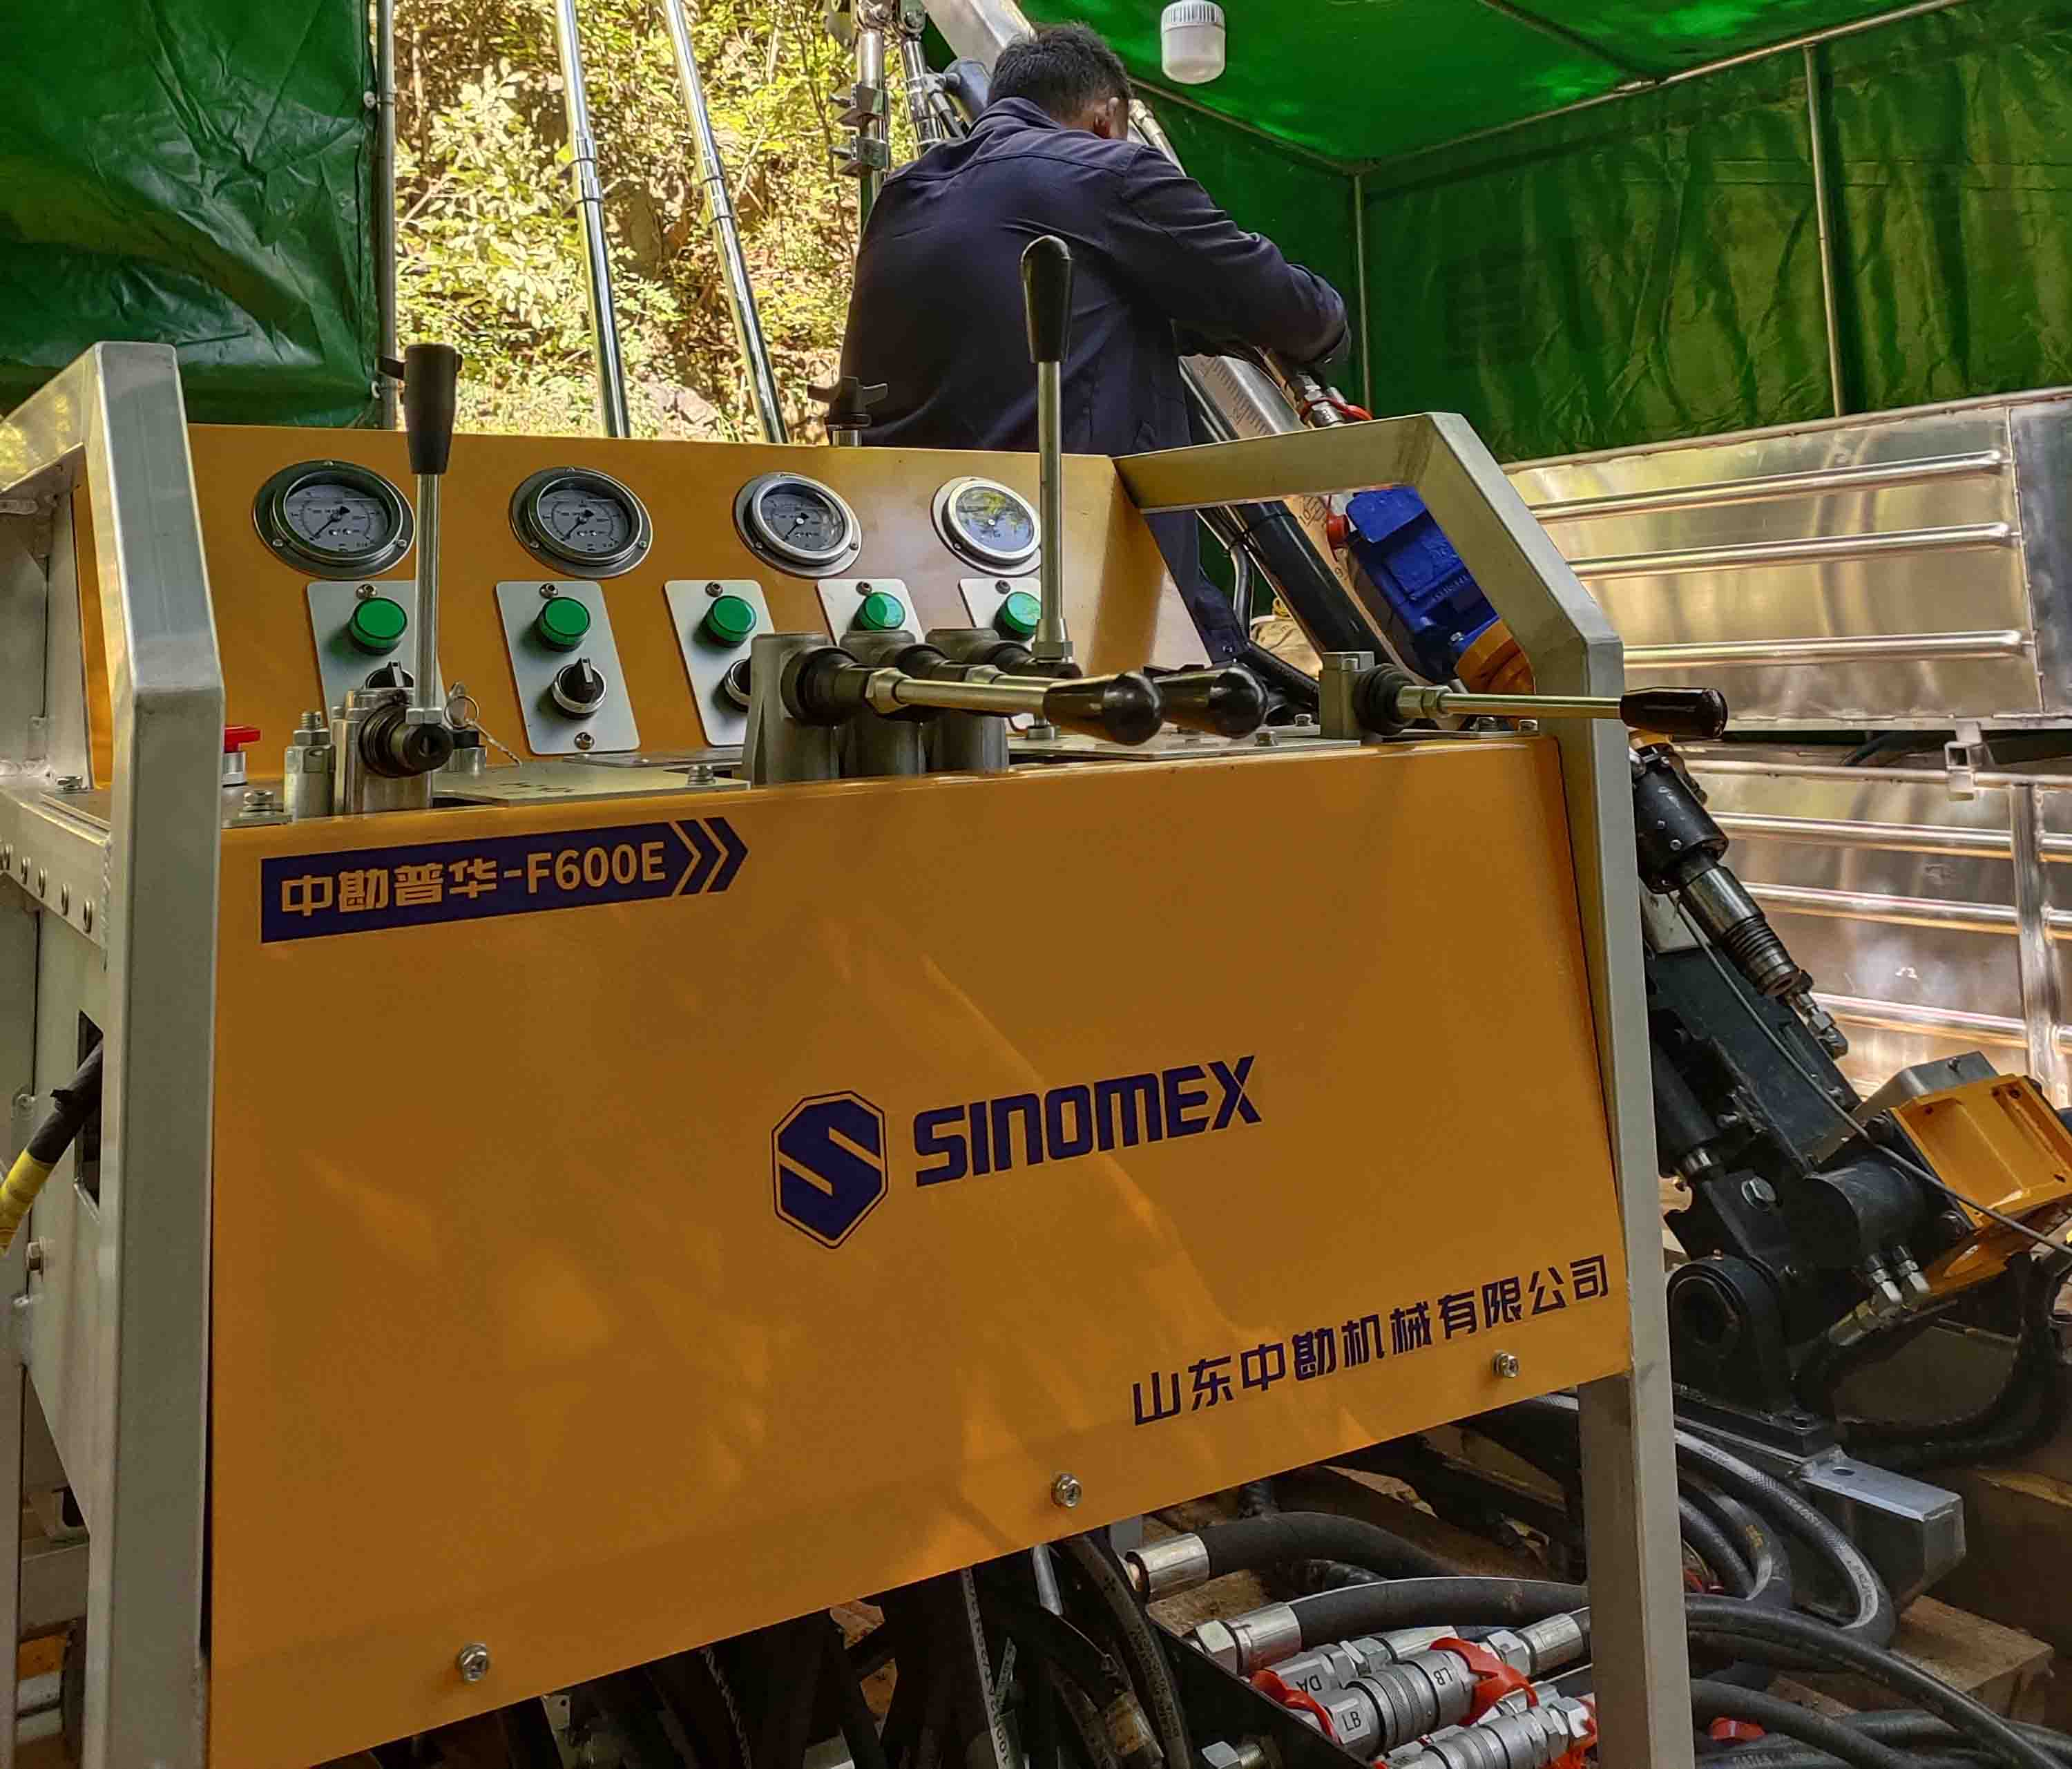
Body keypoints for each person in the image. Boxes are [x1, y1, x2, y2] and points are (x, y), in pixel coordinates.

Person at [836, 22, 1348, 633]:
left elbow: (1022, 324)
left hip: (904, 572)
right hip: (1063, 574)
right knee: (1218, 650)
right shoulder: (1110, 172)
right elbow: (1279, 303)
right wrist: (1329, 329)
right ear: (1107, 118)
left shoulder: (900, 198)